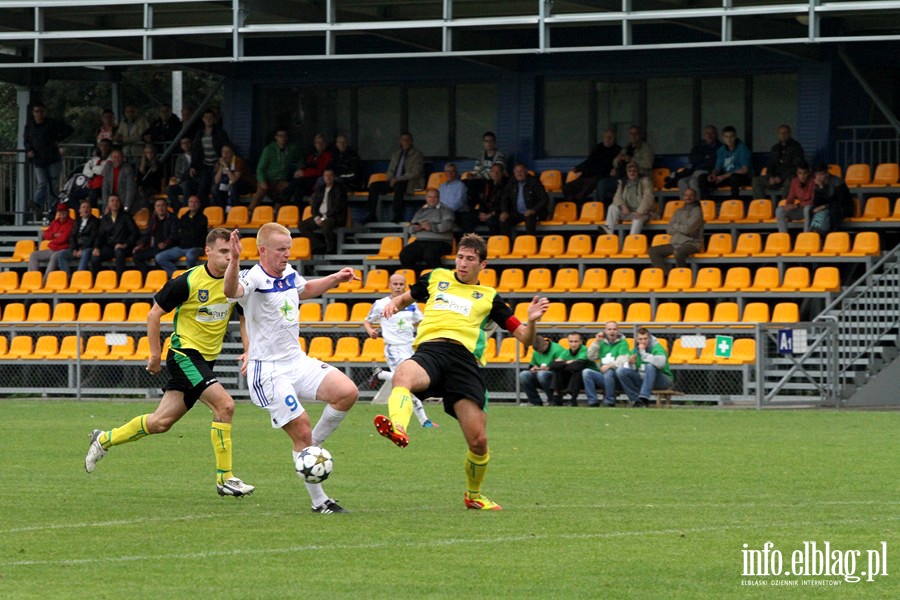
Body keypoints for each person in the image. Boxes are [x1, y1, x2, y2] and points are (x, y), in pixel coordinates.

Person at [374, 233, 550, 510]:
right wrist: (392, 305)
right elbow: (406, 298)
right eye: (460, 257)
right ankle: (398, 427)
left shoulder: (490, 297)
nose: (463, 263)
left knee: (479, 441)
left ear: (484, 265)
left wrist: (531, 320)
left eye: (470, 259)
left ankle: (474, 495)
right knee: (403, 376)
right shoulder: (436, 278)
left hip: (463, 361)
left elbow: (525, 339)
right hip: (430, 351)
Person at [84, 228, 255, 497]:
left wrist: (248, 350)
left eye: (232, 251)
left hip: (205, 361)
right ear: (208, 252)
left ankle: (104, 439)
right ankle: (226, 478)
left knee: (160, 423)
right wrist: (154, 355)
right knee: (225, 405)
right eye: (223, 252)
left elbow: (244, 317)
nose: (229, 257)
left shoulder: (235, 285)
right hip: (184, 355)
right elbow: (154, 315)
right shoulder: (187, 281)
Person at [224, 223, 360, 514]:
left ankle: (310, 449)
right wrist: (234, 260)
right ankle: (320, 501)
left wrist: (335, 278)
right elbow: (231, 289)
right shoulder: (253, 278)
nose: (287, 254)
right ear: (263, 250)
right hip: (269, 370)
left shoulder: (288, 274)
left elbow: (306, 289)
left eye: (289, 248)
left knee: (347, 392)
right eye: (281, 249)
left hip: (297, 361)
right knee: (301, 428)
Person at [363, 272, 437, 428]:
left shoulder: (412, 304)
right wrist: (371, 331)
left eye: (401, 284)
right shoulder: (381, 304)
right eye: (395, 284)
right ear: (389, 285)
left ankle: (381, 374)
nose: (398, 287)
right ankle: (424, 421)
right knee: (407, 384)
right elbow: (367, 321)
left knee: (410, 383)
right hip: (394, 348)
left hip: (410, 347)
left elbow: (419, 321)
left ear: (405, 285)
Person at [23, 102, 73, 220]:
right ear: (33, 113)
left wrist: (58, 138)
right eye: (36, 111)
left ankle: (53, 209)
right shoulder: (30, 126)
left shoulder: (52, 123)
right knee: (42, 183)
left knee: (53, 186)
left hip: (53, 159)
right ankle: (38, 205)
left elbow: (69, 129)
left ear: (44, 112)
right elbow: (26, 140)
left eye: (41, 111)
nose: (39, 114)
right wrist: (29, 150)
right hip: (38, 160)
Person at [363, 131, 425, 223]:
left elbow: (415, 172)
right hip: (394, 181)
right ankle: (371, 214)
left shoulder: (417, 155)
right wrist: (391, 179)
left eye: (408, 140)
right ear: (400, 141)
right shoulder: (396, 154)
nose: (406, 142)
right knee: (373, 186)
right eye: (404, 140)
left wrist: (398, 179)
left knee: (399, 186)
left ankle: (397, 215)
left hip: (409, 182)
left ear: (411, 141)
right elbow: (390, 170)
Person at [398, 188, 455, 275]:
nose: (432, 199)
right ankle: (417, 278)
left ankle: (440, 277)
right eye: (430, 197)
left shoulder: (446, 210)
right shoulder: (421, 211)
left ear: (439, 198)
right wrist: (415, 228)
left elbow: (447, 226)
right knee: (405, 255)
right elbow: (410, 227)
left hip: (441, 242)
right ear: (426, 198)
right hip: (421, 241)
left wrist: (431, 227)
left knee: (430, 254)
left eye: (435, 197)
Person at [648, 188, 704, 273]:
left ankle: (681, 274)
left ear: (695, 197)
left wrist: (676, 225)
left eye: (691, 195)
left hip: (692, 243)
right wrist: (680, 227)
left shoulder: (697, 211)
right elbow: (669, 230)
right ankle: (666, 275)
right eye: (686, 195)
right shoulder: (678, 211)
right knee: (653, 251)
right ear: (683, 197)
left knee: (678, 252)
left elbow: (688, 229)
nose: (688, 197)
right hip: (676, 243)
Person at [615, 327, 673, 407]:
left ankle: (644, 398)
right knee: (620, 371)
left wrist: (643, 353)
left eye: (645, 339)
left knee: (650, 366)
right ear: (637, 340)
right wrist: (630, 363)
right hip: (644, 378)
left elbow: (661, 363)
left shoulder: (657, 347)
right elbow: (633, 368)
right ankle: (636, 400)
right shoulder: (635, 350)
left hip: (663, 379)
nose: (643, 341)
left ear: (649, 338)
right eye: (640, 339)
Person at [562, 128, 621, 204]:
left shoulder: (618, 150)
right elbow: (589, 161)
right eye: (606, 137)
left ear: (615, 139)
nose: (608, 139)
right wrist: (577, 168)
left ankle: (579, 203)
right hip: (587, 175)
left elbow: (617, 167)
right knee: (566, 187)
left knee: (582, 193)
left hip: (601, 176)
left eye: (610, 137)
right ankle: (572, 207)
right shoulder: (598, 147)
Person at [155, 195, 209, 276]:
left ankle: (190, 277)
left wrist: (186, 233)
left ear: (199, 204)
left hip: (196, 247)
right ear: (188, 204)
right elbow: (179, 233)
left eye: (196, 202)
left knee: (190, 256)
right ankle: (179, 276)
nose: (193, 204)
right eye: (191, 202)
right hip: (182, 247)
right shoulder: (184, 217)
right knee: (160, 257)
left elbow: (196, 234)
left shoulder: (203, 218)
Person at [297, 167, 347, 255]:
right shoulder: (320, 189)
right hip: (320, 216)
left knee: (326, 224)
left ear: (334, 177)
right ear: (323, 177)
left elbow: (337, 207)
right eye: (326, 176)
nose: (328, 178)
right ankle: (318, 245)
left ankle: (330, 249)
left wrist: (324, 218)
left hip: (334, 217)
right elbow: (314, 206)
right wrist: (316, 217)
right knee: (302, 225)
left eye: (330, 175)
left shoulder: (339, 189)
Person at [249, 129, 302, 211]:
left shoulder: (292, 148)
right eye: (280, 136)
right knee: (261, 191)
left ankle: (276, 211)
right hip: (267, 179)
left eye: (284, 136)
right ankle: (250, 212)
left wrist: (299, 168)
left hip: (280, 180)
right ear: (276, 137)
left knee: (290, 188)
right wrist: (262, 181)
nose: (282, 138)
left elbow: (300, 159)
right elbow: (260, 169)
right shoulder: (269, 150)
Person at [582, 321, 631, 407]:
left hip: (617, 377)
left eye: (614, 329)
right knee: (586, 372)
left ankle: (610, 401)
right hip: (603, 376)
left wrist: (609, 366)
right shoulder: (601, 343)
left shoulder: (623, 343)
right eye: (609, 329)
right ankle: (593, 401)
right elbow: (590, 357)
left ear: (618, 331)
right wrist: (596, 342)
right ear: (605, 331)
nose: (612, 331)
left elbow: (623, 360)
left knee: (609, 372)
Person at [89, 194, 140, 277]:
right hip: (109, 246)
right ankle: (97, 280)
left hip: (124, 247)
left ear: (120, 203)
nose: (114, 203)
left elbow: (135, 233)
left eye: (117, 201)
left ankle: (120, 280)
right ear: (108, 204)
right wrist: (96, 247)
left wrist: (125, 244)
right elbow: (100, 235)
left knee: (119, 253)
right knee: (95, 258)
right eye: (112, 201)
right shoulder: (105, 218)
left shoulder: (126, 217)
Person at [752, 124, 805, 200]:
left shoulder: (796, 147)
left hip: (788, 177)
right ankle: (761, 206)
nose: (783, 135)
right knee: (757, 181)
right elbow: (770, 165)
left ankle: (783, 206)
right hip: (775, 178)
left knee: (790, 181)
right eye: (781, 133)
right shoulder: (775, 148)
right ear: (778, 134)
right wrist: (770, 176)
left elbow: (797, 167)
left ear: (789, 134)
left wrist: (781, 177)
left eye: (785, 133)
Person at [191, 109, 231, 204]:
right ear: (203, 119)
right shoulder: (199, 133)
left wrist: (221, 163)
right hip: (204, 165)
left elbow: (226, 148)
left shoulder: (220, 132)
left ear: (214, 119)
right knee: (202, 188)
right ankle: (203, 211)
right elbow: (195, 151)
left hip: (217, 164)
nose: (208, 119)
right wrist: (193, 166)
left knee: (215, 188)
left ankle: (217, 210)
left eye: (211, 117)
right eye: (206, 117)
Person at [604, 161, 656, 235]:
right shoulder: (622, 182)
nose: (632, 173)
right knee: (612, 208)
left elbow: (648, 198)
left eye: (634, 171)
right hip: (627, 212)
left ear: (638, 172)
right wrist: (622, 206)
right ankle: (607, 235)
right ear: (627, 172)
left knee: (637, 218)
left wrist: (639, 212)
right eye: (629, 171)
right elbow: (617, 197)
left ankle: (631, 240)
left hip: (643, 212)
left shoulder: (645, 181)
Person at [499, 162, 550, 237]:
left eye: (521, 171)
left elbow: (545, 199)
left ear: (526, 171)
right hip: (517, 213)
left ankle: (530, 242)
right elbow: (504, 198)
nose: (519, 174)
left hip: (533, 213)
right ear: (514, 172)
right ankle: (507, 244)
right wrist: (504, 211)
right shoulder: (511, 182)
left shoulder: (534, 182)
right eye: (517, 172)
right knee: (503, 219)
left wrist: (533, 210)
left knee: (529, 217)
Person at [674, 125, 721, 200]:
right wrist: (704, 157)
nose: (709, 135)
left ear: (716, 134)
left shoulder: (720, 147)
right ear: (704, 135)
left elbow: (713, 162)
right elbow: (692, 159)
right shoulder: (699, 145)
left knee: (693, 181)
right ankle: (685, 206)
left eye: (712, 133)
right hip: (695, 172)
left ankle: (697, 205)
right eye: (707, 133)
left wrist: (702, 159)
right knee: (682, 182)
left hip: (709, 173)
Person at [518, 333, 566, 407]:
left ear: (545, 343)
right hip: (540, 376)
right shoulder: (536, 351)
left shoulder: (557, 349)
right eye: (537, 351)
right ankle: (535, 402)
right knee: (523, 375)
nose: (539, 352)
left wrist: (549, 368)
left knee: (542, 374)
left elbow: (563, 366)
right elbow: (532, 365)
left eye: (541, 350)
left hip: (556, 378)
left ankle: (553, 400)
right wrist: (533, 368)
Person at [132, 197, 178, 274]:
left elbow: (174, 234)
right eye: (158, 206)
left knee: (158, 256)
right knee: (136, 255)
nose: (160, 208)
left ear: (167, 206)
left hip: (168, 247)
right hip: (155, 247)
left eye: (163, 205)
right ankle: (147, 276)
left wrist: (165, 243)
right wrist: (141, 245)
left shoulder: (173, 218)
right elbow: (148, 234)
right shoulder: (153, 218)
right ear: (155, 208)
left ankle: (161, 278)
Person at [27, 202, 73, 278]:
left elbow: (63, 238)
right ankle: (33, 278)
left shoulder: (71, 223)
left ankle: (46, 280)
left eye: (63, 211)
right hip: (53, 249)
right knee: (34, 255)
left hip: (63, 249)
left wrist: (52, 238)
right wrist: (54, 235)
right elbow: (45, 235)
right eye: (60, 211)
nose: (61, 213)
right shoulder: (55, 222)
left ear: (68, 212)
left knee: (54, 256)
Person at [548, 332, 594, 407]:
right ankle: (556, 397)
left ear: (581, 342)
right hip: (571, 378)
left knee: (578, 371)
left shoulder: (584, 349)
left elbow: (578, 366)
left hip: (588, 380)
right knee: (557, 370)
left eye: (576, 341)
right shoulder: (566, 352)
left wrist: (563, 364)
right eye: (571, 341)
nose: (573, 344)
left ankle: (573, 399)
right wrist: (567, 362)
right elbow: (552, 365)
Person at [285, 133, 333, 203]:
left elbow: (321, 171)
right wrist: (299, 172)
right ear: (315, 144)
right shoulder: (312, 156)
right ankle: (297, 211)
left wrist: (304, 173)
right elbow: (306, 166)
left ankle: (281, 203)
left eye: (322, 142)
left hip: (318, 181)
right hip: (307, 180)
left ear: (325, 144)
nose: (320, 145)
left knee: (297, 183)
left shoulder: (328, 155)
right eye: (317, 142)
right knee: (298, 188)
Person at [707, 125, 752, 199]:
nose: (729, 139)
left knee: (734, 178)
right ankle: (706, 204)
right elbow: (717, 168)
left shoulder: (742, 149)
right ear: (723, 138)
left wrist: (724, 176)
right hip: (725, 177)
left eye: (731, 136)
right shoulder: (721, 150)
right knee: (703, 178)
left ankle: (734, 203)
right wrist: (713, 174)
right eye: (726, 137)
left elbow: (744, 170)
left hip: (742, 178)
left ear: (735, 136)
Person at [464, 131, 506, 207]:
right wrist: (472, 175)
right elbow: (477, 170)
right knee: (464, 182)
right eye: (486, 141)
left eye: (491, 141)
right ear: (483, 143)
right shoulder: (481, 155)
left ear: (495, 142)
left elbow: (495, 173)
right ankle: (470, 208)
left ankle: (477, 208)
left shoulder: (500, 156)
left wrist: (478, 176)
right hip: (482, 180)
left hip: (493, 182)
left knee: (473, 184)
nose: (489, 143)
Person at [808, 162, 852, 234]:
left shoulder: (837, 182)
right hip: (827, 207)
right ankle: (813, 232)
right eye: (816, 175)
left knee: (834, 210)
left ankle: (831, 233)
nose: (819, 177)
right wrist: (820, 188)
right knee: (811, 209)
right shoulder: (818, 184)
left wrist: (825, 206)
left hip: (844, 207)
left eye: (821, 174)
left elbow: (841, 201)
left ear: (827, 174)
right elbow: (817, 203)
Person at [775, 160, 815, 233]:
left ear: (808, 173)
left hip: (812, 210)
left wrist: (796, 206)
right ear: (797, 173)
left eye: (804, 173)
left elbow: (813, 201)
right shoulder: (794, 181)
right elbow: (790, 197)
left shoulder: (813, 181)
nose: (802, 176)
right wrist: (788, 206)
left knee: (807, 209)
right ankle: (784, 237)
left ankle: (806, 236)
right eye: (800, 173)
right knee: (779, 210)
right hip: (800, 210)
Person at [212, 144, 250, 208]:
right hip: (226, 184)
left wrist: (226, 166)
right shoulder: (219, 162)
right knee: (215, 188)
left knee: (232, 187)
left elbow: (233, 180)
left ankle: (234, 210)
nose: (225, 154)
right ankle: (220, 209)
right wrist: (221, 167)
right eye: (223, 152)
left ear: (232, 153)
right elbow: (216, 181)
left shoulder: (238, 161)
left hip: (243, 184)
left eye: (228, 152)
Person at [473, 163, 506, 235]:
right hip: (486, 212)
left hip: (496, 213)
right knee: (468, 218)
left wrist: (491, 214)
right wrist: (481, 212)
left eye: (498, 171)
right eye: (494, 171)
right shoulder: (487, 185)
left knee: (493, 221)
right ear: (490, 173)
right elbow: (482, 201)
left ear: (502, 173)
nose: (496, 174)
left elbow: (505, 204)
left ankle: (494, 244)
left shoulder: (506, 186)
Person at [438, 163, 472, 231]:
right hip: (442, 212)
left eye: (452, 171)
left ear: (456, 173)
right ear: (445, 173)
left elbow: (459, 203)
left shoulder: (460, 186)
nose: (450, 173)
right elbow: (437, 201)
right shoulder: (441, 187)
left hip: (457, 213)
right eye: (448, 171)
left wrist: (445, 211)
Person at [166, 136, 197, 209]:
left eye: (188, 142)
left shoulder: (197, 156)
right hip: (182, 183)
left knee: (186, 184)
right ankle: (178, 208)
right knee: (169, 189)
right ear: (181, 146)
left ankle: (185, 208)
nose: (186, 145)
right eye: (183, 143)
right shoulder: (179, 159)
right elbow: (177, 174)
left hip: (195, 183)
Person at [83, 139, 112, 206]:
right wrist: (93, 174)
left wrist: (93, 169)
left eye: (106, 146)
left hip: (103, 186)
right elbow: (85, 170)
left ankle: (93, 214)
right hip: (91, 184)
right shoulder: (95, 158)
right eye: (102, 145)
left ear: (110, 147)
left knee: (92, 195)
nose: (104, 148)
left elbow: (103, 170)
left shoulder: (111, 159)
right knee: (72, 195)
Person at [136, 143, 164, 210]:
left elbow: (158, 179)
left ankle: (146, 211)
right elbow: (139, 178)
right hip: (143, 186)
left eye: (151, 152)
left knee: (143, 193)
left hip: (153, 187)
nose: (149, 154)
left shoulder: (158, 164)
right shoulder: (140, 164)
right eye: (147, 152)